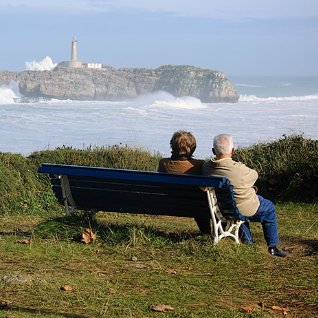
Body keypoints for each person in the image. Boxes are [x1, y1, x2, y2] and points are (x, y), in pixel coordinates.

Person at [202, 134, 286, 257]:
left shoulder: (206, 167)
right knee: (269, 208)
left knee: (237, 208)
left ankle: (248, 242)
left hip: (220, 208)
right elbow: (255, 175)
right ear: (233, 150)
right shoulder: (239, 169)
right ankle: (272, 246)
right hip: (243, 207)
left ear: (213, 151)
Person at [158, 130, 211, 234]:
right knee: (200, 201)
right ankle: (206, 232)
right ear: (193, 148)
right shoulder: (199, 165)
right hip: (194, 205)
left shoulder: (163, 163)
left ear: (172, 146)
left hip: (168, 203)